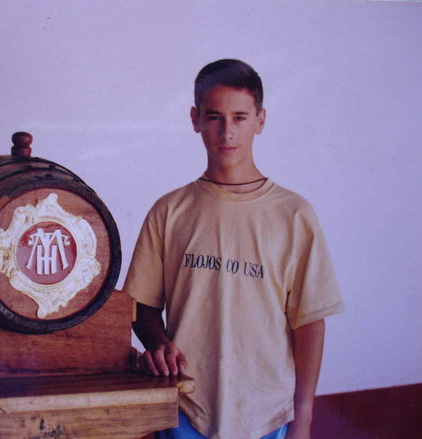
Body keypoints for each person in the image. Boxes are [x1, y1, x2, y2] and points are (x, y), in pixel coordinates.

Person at [124, 59, 344, 439]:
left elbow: (309, 322)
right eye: (214, 117)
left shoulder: (293, 215)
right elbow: (141, 307)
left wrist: (303, 416)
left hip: (268, 415)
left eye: (240, 118)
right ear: (195, 119)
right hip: (186, 410)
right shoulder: (170, 211)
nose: (227, 132)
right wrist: (158, 344)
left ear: (260, 120)